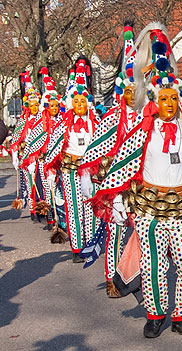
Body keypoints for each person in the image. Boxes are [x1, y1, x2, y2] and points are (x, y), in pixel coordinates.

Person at [90, 23, 182, 338]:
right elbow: (124, 164)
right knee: (154, 265)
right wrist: (117, 199)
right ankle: (155, 315)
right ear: (156, 101)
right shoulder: (142, 131)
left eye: (174, 99)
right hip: (148, 210)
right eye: (164, 99)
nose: (169, 105)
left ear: (179, 99)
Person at [78, 21, 138, 297]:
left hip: (142, 185)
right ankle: (112, 277)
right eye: (127, 89)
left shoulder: (148, 117)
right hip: (116, 184)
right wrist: (89, 174)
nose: (131, 94)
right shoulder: (112, 117)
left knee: (144, 231)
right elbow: (95, 148)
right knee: (115, 232)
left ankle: (141, 275)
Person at [44, 56, 100, 263]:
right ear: (71, 103)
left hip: (90, 170)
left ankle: (90, 243)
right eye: (75, 101)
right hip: (69, 170)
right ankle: (77, 247)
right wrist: (50, 170)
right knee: (74, 208)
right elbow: (53, 148)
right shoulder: (64, 124)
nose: (79, 104)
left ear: (87, 102)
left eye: (82, 100)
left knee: (90, 208)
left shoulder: (96, 122)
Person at [20, 67, 62, 230]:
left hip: (59, 162)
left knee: (58, 191)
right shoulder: (40, 123)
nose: (54, 109)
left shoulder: (61, 120)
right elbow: (31, 140)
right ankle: (49, 217)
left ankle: (60, 218)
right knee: (46, 188)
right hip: (43, 161)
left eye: (56, 105)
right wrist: (28, 156)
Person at [11, 72, 42, 220]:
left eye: (37, 104)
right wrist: (15, 157)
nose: (35, 107)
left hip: (40, 157)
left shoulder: (43, 120)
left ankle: (43, 208)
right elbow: (16, 140)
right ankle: (32, 209)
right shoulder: (23, 121)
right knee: (30, 184)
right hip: (27, 157)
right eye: (32, 104)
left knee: (42, 184)